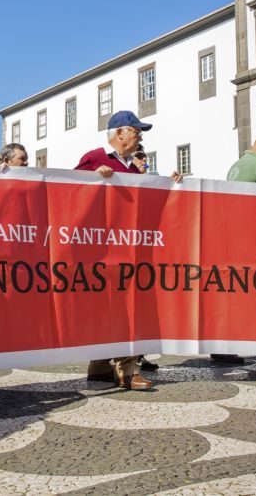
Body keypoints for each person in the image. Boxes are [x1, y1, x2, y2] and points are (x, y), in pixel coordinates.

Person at [73, 110, 181, 390]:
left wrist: (169, 186)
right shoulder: (96, 157)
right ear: (120, 133)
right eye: (136, 131)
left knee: (130, 310)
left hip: (130, 251)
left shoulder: (133, 169)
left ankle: (127, 370)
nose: (140, 136)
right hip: (102, 251)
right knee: (106, 311)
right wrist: (94, 177)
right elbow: (72, 192)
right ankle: (99, 366)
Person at [212, 131, 256, 366]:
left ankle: (222, 344)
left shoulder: (237, 164)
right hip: (247, 236)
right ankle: (232, 343)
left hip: (228, 234)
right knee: (243, 291)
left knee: (229, 291)